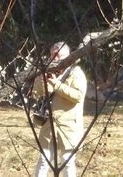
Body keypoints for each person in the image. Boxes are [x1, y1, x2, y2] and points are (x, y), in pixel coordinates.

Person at [32, 42, 87, 177]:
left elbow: (78, 96)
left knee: (67, 162)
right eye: (53, 55)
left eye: (58, 55)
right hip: (48, 124)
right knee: (44, 160)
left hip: (68, 125)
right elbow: (35, 93)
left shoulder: (76, 73)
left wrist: (57, 85)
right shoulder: (47, 72)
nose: (55, 59)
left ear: (68, 56)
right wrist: (41, 81)